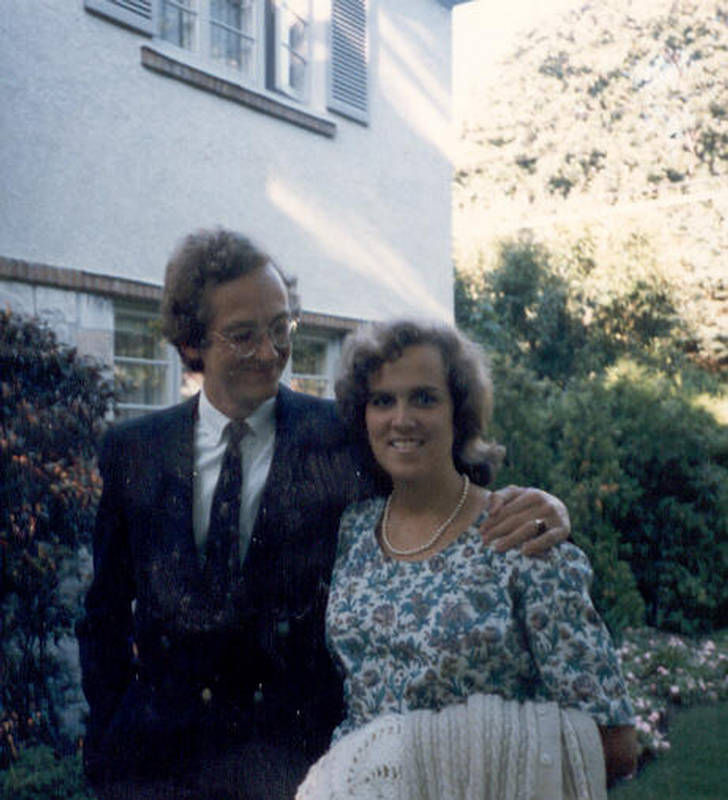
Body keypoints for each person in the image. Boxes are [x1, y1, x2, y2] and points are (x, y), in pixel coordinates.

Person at [77, 229, 573, 800]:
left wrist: (546, 506)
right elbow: (104, 614)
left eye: (280, 327)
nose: (270, 352)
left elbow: (452, 484)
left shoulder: (344, 437)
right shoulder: (134, 450)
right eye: (243, 335)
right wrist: (109, 746)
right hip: (156, 768)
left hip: (294, 768)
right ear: (193, 342)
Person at [297, 319, 637, 799]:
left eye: (424, 398)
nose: (402, 419)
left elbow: (616, 745)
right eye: (383, 401)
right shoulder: (354, 529)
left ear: (460, 411)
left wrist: (448, 757)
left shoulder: (520, 535)